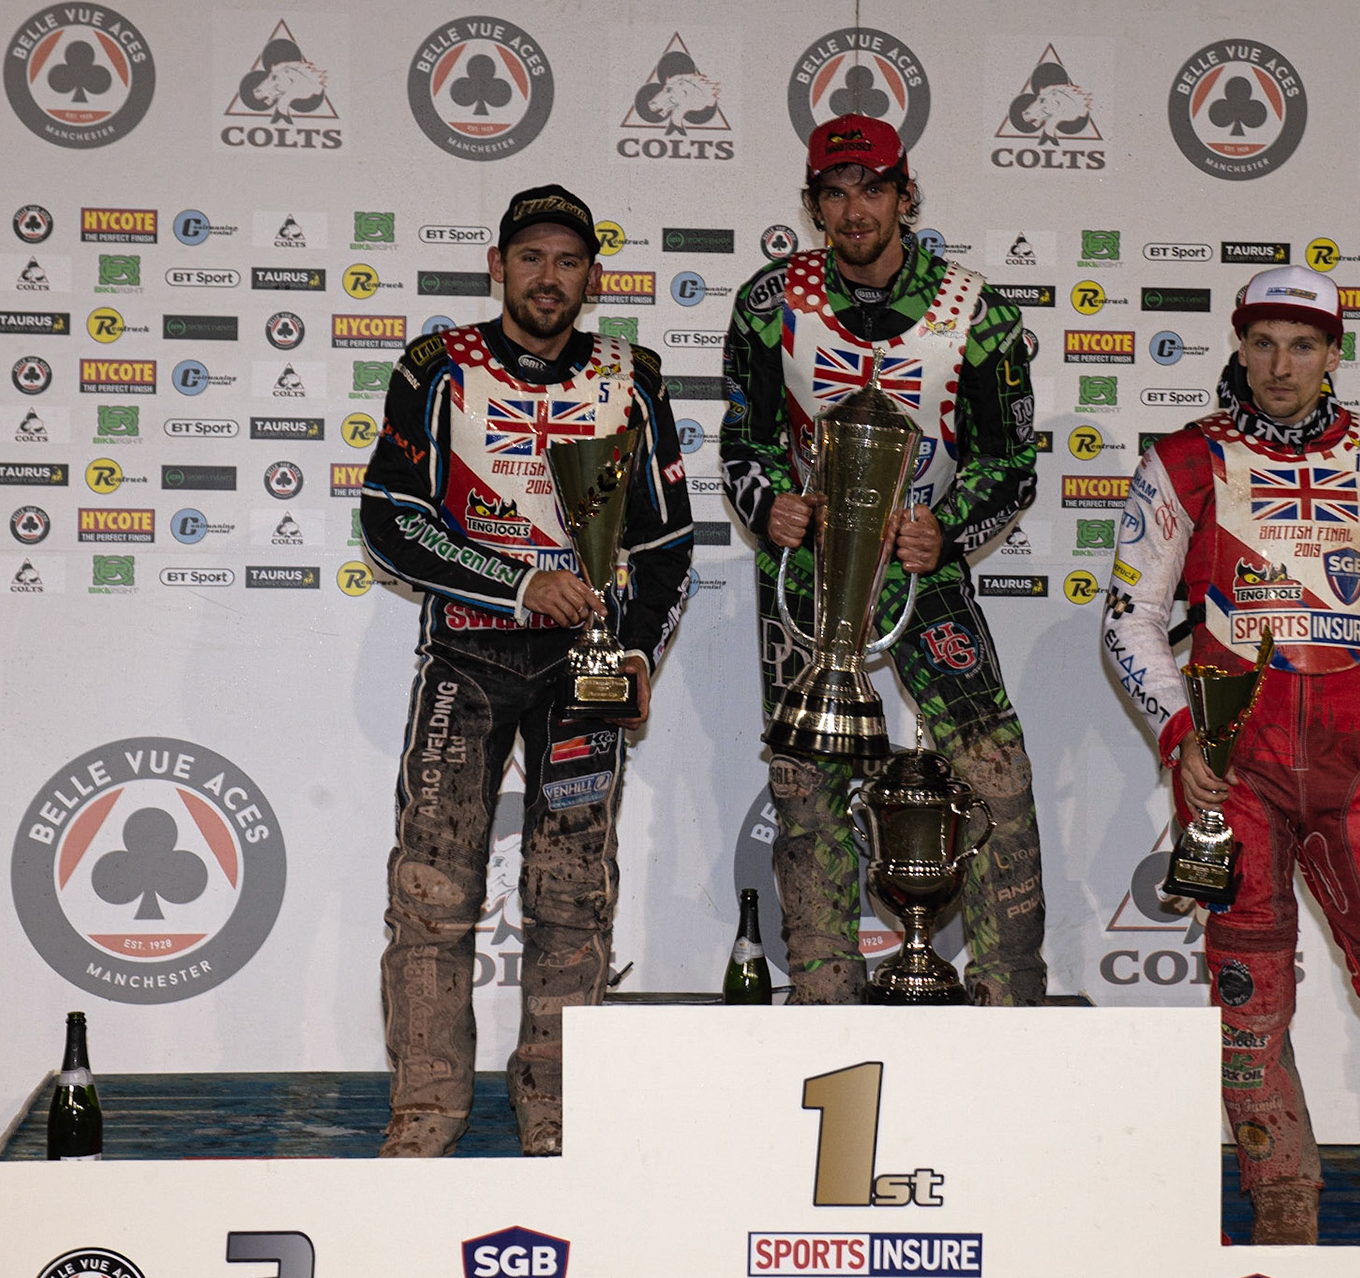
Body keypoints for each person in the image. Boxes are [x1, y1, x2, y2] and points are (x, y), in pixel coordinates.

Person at [1101, 265, 1360, 1245]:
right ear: (1239, 347)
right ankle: (1283, 1199)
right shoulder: (1184, 460)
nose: (1280, 365)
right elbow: (1129, 617)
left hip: (1359, 776)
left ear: (1333, 354)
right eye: (1263, 343)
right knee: (1249, 998)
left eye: (1303, 345)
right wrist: (1179, 733)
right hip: (1233, 781)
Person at [360, 184, 693, 1157]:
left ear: (593, 278)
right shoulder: (437, 369)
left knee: (572, 894)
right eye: (532, 257)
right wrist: (519, 585)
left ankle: (556, 1115)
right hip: (468, 657)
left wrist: (637, 650)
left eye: (569, 261)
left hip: (585, 671)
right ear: (498, 266)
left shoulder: (633, 379)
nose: (549, 277)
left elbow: (665, 543)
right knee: (432, 892)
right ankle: (426, 1117)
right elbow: (390, 519)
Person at [720, 114, 1047, 1006]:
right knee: (805, 785)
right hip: (808, 578)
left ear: (907, 196)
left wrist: (947, 529)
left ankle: (1011, 998)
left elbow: (1010, 463)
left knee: (995, 774)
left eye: (871, 189)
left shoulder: (977, 311)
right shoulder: (769, 303)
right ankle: (824, 994)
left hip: (919, 568)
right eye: (833, 192)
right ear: (812, 204)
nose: (853, 209)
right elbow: (744, 443)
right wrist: (770, 506)